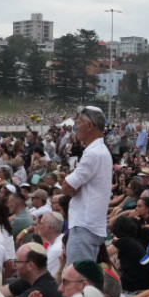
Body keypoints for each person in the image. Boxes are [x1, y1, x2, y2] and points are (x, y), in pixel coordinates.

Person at [62, 106, 111, 263]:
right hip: (90, 225)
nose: (75, 126)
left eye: (78, 122)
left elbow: (66, 187)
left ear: (90, 126)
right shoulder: (99, 150)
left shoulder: (93, 153)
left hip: (84, 225)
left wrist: (73, 186)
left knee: (75, 281)